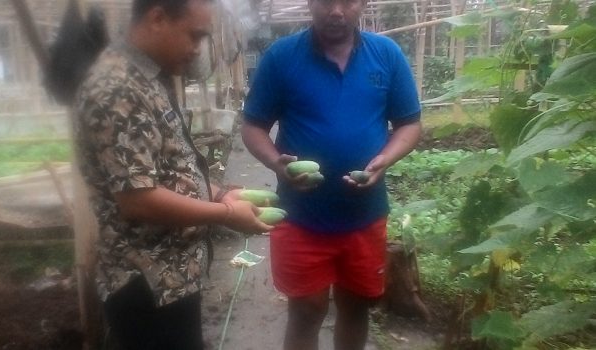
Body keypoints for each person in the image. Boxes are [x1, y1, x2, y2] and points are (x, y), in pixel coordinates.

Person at [72, 0, 272, 349]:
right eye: (194, 36)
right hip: (146, 285)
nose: (197, 50)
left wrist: (219, 192)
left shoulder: (145, 78)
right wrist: (226, 214)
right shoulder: (117, 88)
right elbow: (139, 200)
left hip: (169, 279)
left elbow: (164, 169)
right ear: (158, 18)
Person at [241, 0, 422, 349]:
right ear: (310, 3)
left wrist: (385, 158)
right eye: (326, 1)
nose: (336, 11)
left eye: (347, 1)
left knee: (357, 306)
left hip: (364, 215)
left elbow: (409, 125)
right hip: (301, 216)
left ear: (363, 3)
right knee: (307, 309)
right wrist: (277, 162)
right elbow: (253, 127)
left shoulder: (386, 54)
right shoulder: (282, 57)